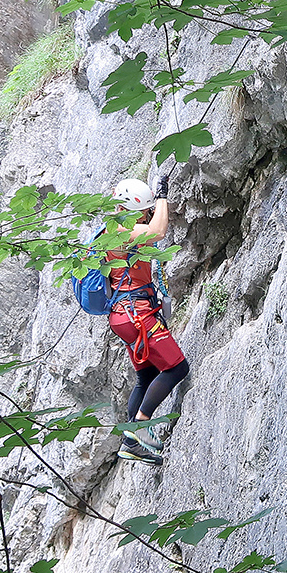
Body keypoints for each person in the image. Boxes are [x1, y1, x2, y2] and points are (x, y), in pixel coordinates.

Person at [105, 178, 189, 465]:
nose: (146, 215)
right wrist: (163, 197)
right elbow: (158, 232)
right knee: (178, 367)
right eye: (144, 210)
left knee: (147, 375)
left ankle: (131, 441)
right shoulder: (120, 231)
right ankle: (139, 426)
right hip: (136, 313)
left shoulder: (112, 227)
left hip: (125, 314)